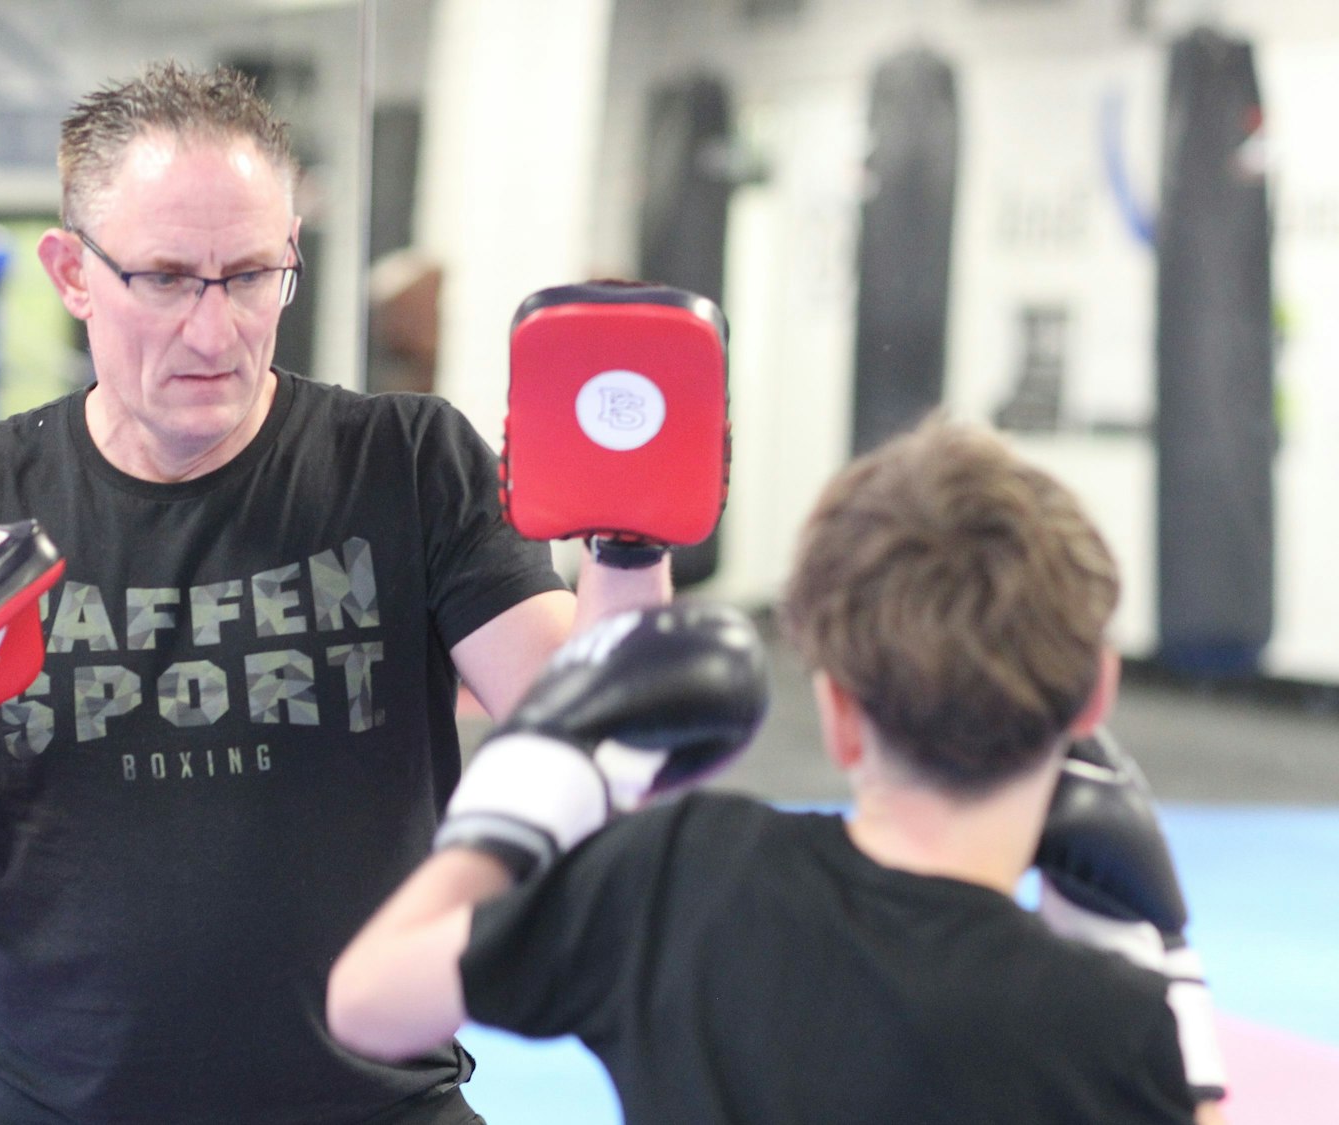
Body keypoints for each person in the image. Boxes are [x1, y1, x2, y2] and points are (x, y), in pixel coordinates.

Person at [0, 60, 669, 1124]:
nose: (214, 332)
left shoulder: (403, 465)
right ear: (72, 272)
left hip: (376, 1105)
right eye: (165, 278)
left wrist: (630, 544)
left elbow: (600, 753)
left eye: (251, 275)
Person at [327, 419, 1229, 1124]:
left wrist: (539, 770)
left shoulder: (687, 877)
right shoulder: (1117, 1022)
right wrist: (1161, 958)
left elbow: (370, 1002)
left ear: (835, 707)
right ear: (1095, 694)